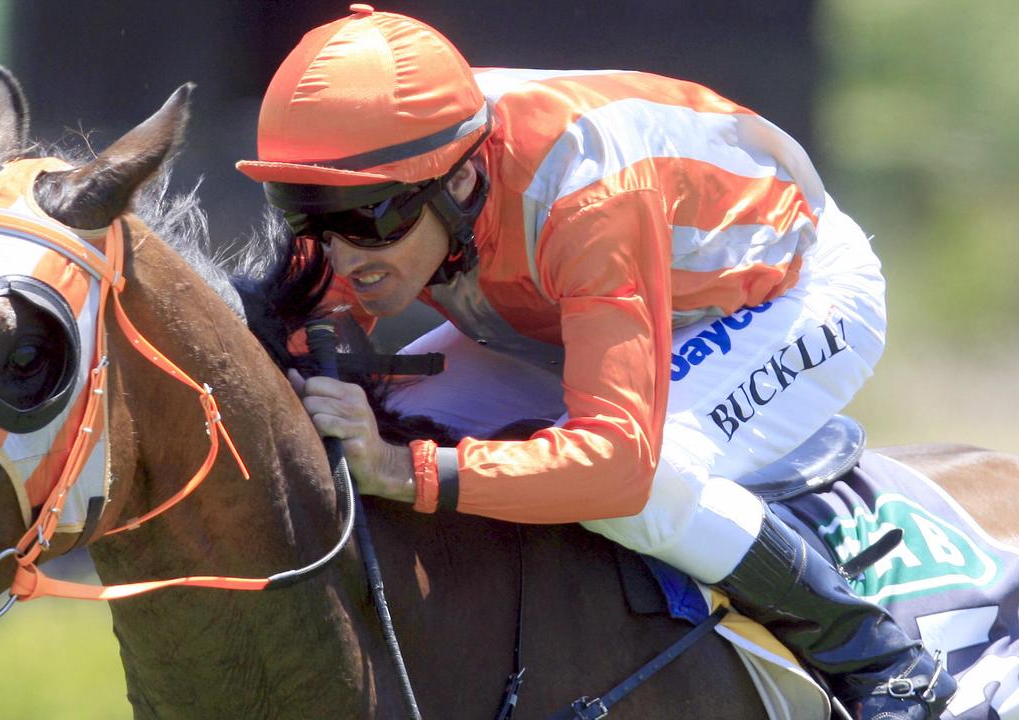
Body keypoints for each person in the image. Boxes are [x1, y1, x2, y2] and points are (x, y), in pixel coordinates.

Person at [236, 5, 955, 718]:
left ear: (457, 184)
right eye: (308, 215)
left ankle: (881, 662)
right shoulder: (376, 172)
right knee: (401, 419)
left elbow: (614, 464)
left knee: (642, 490)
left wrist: (401, 470)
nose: (339, 253)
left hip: (783, 292)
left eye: (370, 220)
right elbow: (302, 356)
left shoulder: (587, 189)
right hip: (576, 304)